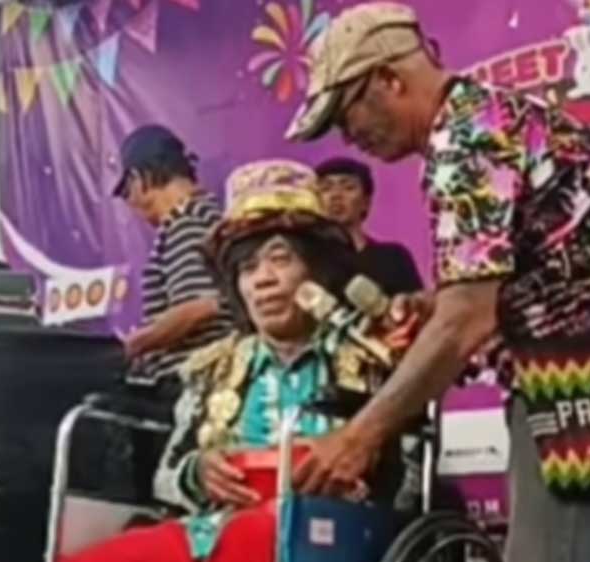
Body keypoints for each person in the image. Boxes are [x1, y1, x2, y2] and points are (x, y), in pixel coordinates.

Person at [285, 3, 590, 561]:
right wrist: (434, 304)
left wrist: (360, 435)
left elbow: (466, 320)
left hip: (585, 396)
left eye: (345, 113)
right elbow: (538, 270)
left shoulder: (469, 139)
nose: (347, 135)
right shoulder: (493, 118)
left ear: (388, 80)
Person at [65, 160, 407, 562]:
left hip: (329, 533)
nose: (263, 279)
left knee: (257, 531)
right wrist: (198, 473)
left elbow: (410, 480)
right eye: (247, 268)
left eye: (280, 259)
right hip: (212, 533)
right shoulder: (214, 367)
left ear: (317, 272)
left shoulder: (369, 355)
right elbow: (167, 475)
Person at [113, 124, 234, 495]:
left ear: (139, 179)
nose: (131, 204)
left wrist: (131, 346)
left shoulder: (185, 222)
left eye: (126, 192)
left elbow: (198, 307)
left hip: (191, 388)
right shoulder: (209, 214)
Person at [314, 156, 423, 295]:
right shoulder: (308, 261)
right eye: (326, 188)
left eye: (348, 187)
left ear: (366, 202)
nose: (336, 195)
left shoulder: (392, 258)